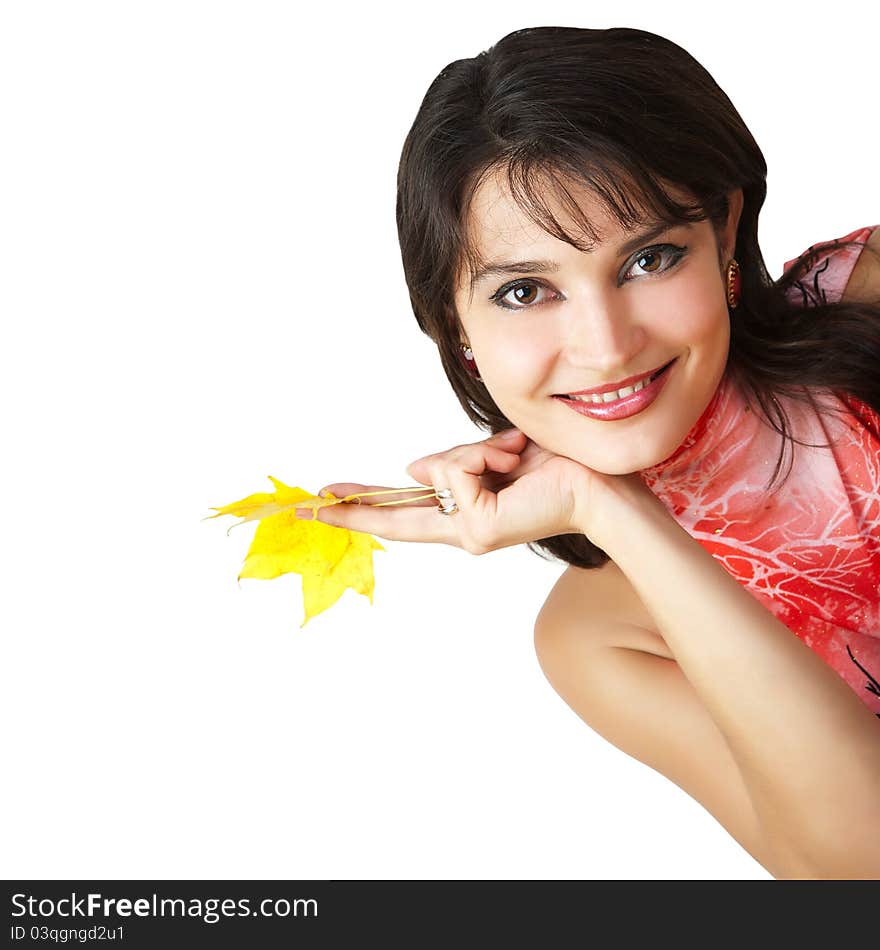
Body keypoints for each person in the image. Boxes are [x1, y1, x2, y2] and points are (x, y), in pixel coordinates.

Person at [303, 26, 880, 879]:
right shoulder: (599, 639)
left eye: (649, 258)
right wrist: (617, 512)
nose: (605, 347)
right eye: (524, 291)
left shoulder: (864, 304)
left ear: (724, 232)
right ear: (455, 323)